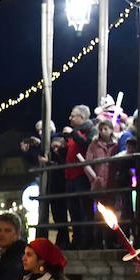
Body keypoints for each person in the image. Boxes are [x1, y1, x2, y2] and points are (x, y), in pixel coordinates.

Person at [62, 104, 96, 249]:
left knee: (84, 210)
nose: (70, 118)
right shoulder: (74, 134)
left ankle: (86, 240)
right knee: (73, 210)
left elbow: (86, 144)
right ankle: (76, 239)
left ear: (82, 117)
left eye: (73, 115)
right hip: (70, 176)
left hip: (81, 176)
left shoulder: (89, 129)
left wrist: (73, 133)